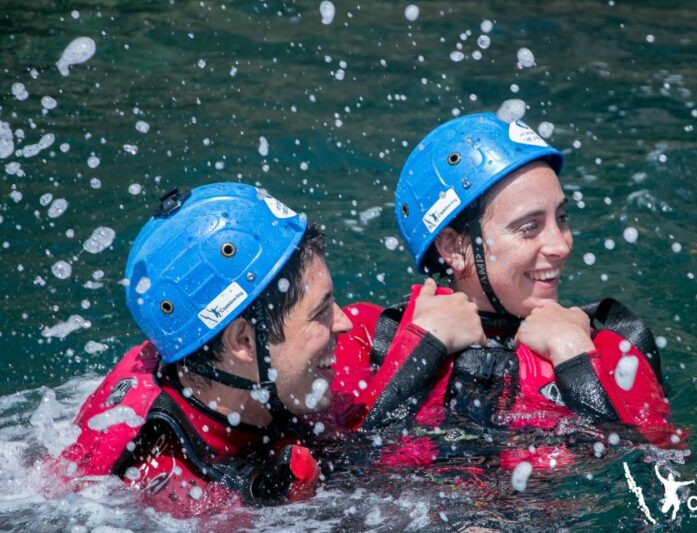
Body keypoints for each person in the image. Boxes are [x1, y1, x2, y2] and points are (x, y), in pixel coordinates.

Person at [53, 182, 482, 517]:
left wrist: (421, 341)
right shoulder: (159, 485)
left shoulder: (284, 358)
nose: (344, 322)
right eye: (320, 312)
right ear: (242, 341)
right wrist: (420, 355)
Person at [328, 113, 680, 470]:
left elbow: (654, 477)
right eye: (530, 228)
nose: (561, 245)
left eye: (562, 217)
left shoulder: (610, 345)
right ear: (452, 247)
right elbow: (336, 470)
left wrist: (576, 361)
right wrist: (424, 348)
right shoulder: (366, 338)